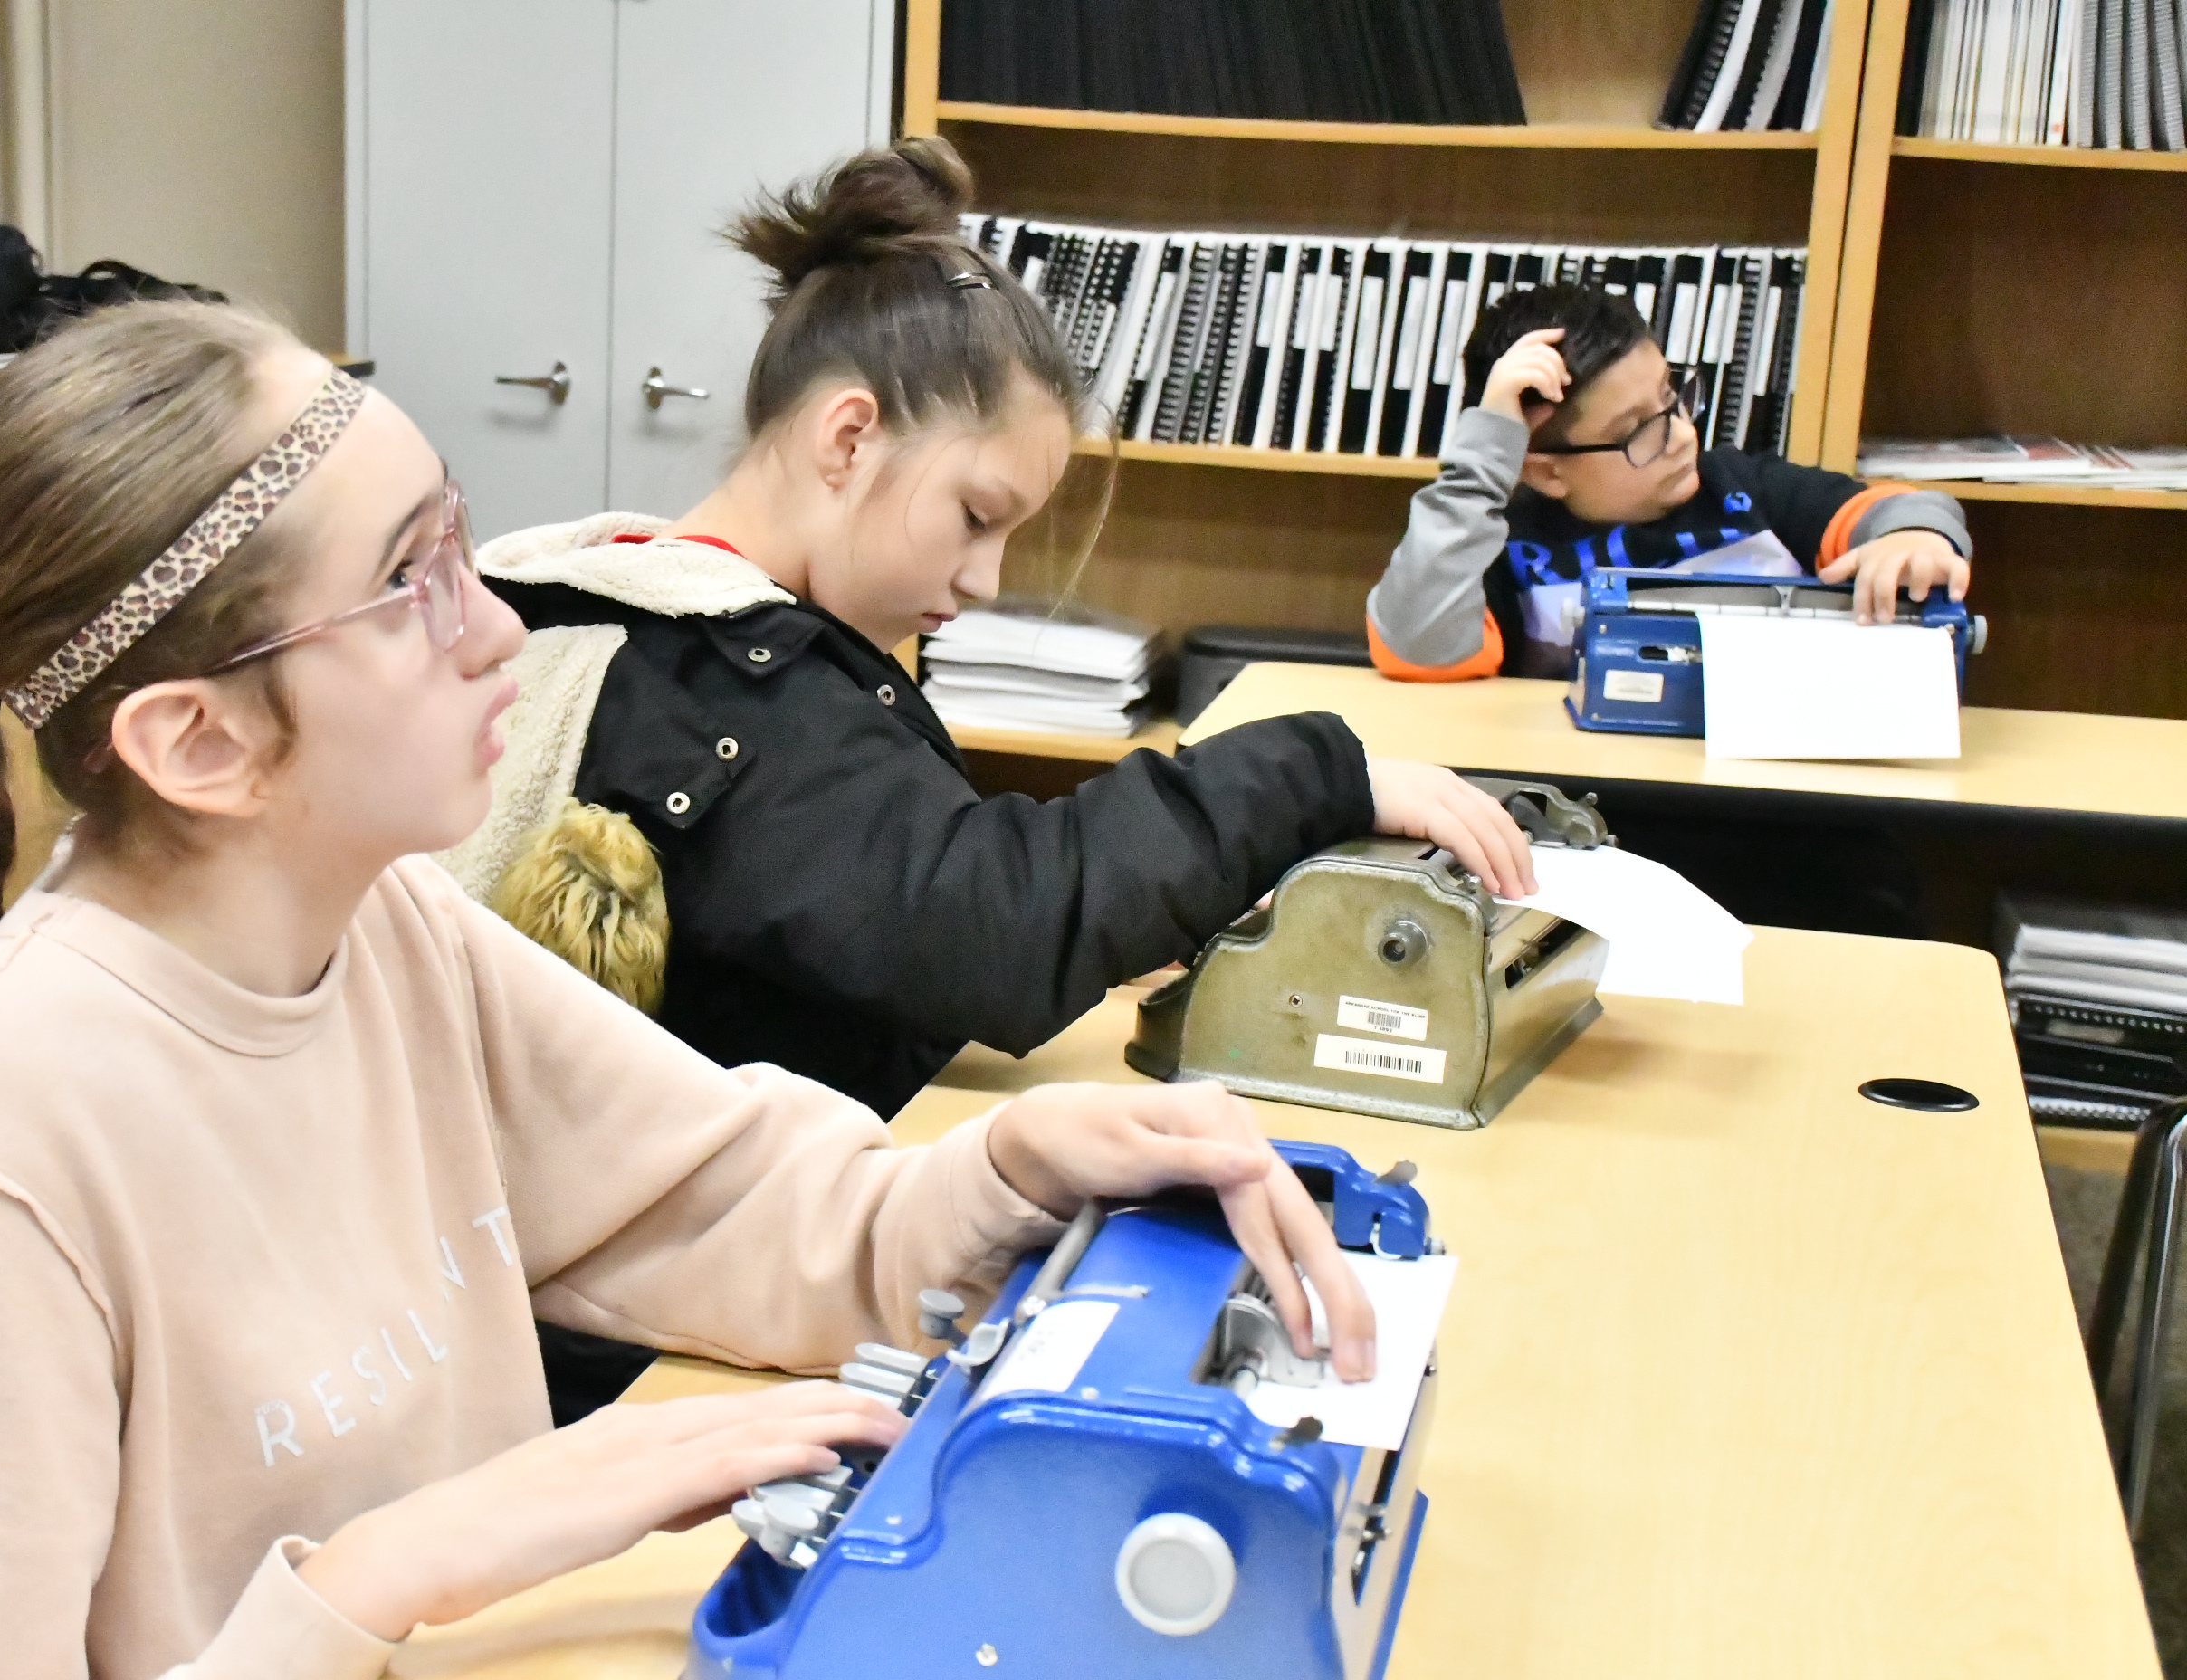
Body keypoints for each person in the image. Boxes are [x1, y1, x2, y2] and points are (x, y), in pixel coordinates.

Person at [0, 301, 1380, 1680]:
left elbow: (732, 1206)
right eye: (411, 584)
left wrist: (1006, 1173)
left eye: (463, 544)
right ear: (197, 740)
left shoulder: (384, 933)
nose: (494, 637)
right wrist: (387, 1576)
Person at [450, 135, 1537, 1123]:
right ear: (848, 439)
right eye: (975, 516)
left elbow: (875, 905)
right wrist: (1312, 777)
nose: (985, 577)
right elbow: (987, 924)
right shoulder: (730, 692)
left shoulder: (610, 604)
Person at [1365, 279, 1972, 682]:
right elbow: (1417, 646)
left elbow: (1895, 510)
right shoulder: (1494, 548)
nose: (1681, 434)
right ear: (1545, 471)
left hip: (1781, 816)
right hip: (1590, 811)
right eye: (1639, 431)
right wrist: (1485, 457)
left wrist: (1913, 537)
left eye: (1673, 397)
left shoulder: (1745, 491)